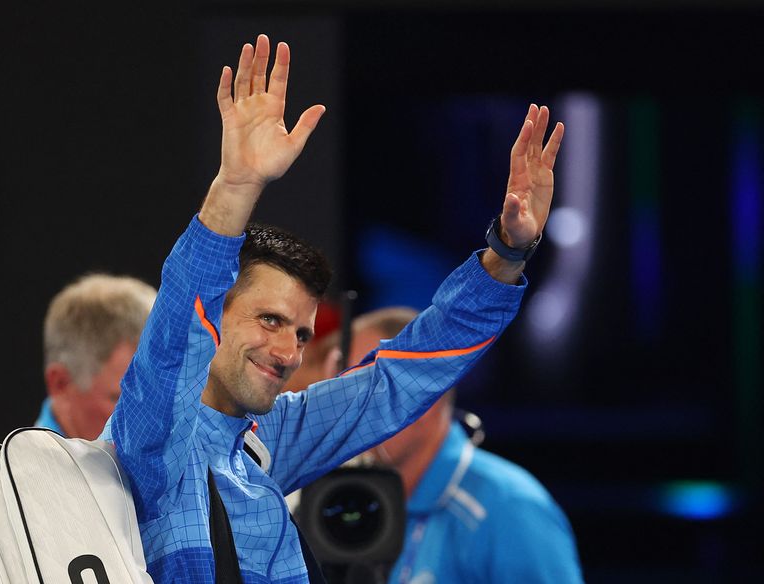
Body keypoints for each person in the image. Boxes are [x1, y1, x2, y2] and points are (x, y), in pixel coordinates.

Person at [100, 33, 564, 583]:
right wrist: (237, 186)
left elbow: (402, 376)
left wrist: (507, 254)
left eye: (300, 333)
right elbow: (178, 326)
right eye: (269, 320)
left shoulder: (263, 443)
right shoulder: (153, 442)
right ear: (213, 320)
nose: (287, 352)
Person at [344, 307, 584, 584]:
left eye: (372, 390)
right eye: (347, 392)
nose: (353, 413)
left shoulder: (508, 506)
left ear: (430, 395)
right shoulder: (363, 504)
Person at [36, 273, 157, 439]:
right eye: (127, 401)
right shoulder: (13, 464)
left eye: (162, 395)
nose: (156, 425)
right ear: (60, 384)